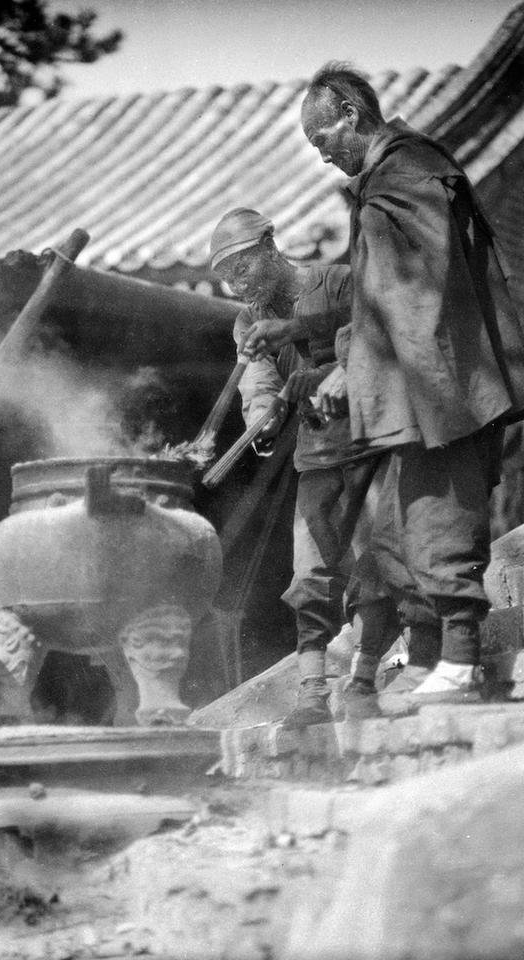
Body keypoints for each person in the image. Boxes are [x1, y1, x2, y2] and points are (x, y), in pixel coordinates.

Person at [245, 63, 524, 710]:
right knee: (408, 525)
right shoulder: (392, 182)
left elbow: (416, 297)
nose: (325, 158)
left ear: (351, 115)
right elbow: (379, 299)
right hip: (425, 386)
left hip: (440, 386)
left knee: (436, 514)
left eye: (324, 141)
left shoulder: (406, 176)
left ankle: (459, 658)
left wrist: (351, 366)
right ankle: (438, 657)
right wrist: (297, 330)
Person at [209, 208, 393, 725]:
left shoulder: (337, 282)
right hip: (316, 454)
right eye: (227, 277)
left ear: (270, 245)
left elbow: (377, 336)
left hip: (371, 442)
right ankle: (312, 694)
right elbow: (257, 379)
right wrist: (262, 419)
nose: (238, 285)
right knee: (310, 573)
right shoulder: (248, 321)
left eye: (243, 268)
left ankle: (363, 681)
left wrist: (340, 373)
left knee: (376, 563)